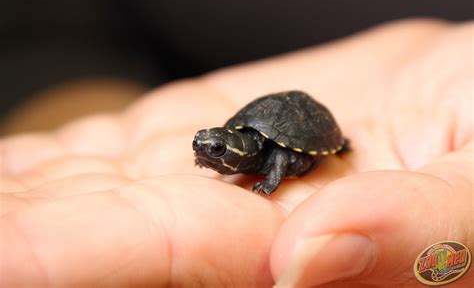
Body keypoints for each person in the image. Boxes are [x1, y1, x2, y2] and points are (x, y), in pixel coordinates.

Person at [0, 19, 472, 287]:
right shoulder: (236, 140)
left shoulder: (273, 154)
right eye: (206, 146)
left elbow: (283, 157)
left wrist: (271, 182)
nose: (206, 149)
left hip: (306, 125)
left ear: (240, 150)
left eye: (217, 148)